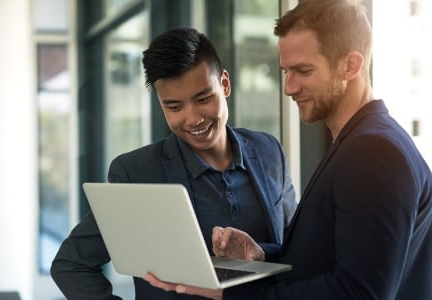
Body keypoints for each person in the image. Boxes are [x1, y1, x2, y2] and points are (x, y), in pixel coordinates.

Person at [145, 0, 432, 299]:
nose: (289, 87)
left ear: (351, 65)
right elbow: (329, 261)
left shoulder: (372, 151)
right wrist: (262, 256)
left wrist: (229, 294)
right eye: (286, 72)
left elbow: (358, 293)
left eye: (303, 71)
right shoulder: (363, 142)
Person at [50, 27, 297, 299]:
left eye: (203, 99)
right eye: (174, 107)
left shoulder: (269, 150)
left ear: (225, 84)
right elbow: (71, 264)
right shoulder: (137, 173)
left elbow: (296, 249)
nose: (192, 119)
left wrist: (260, 254)